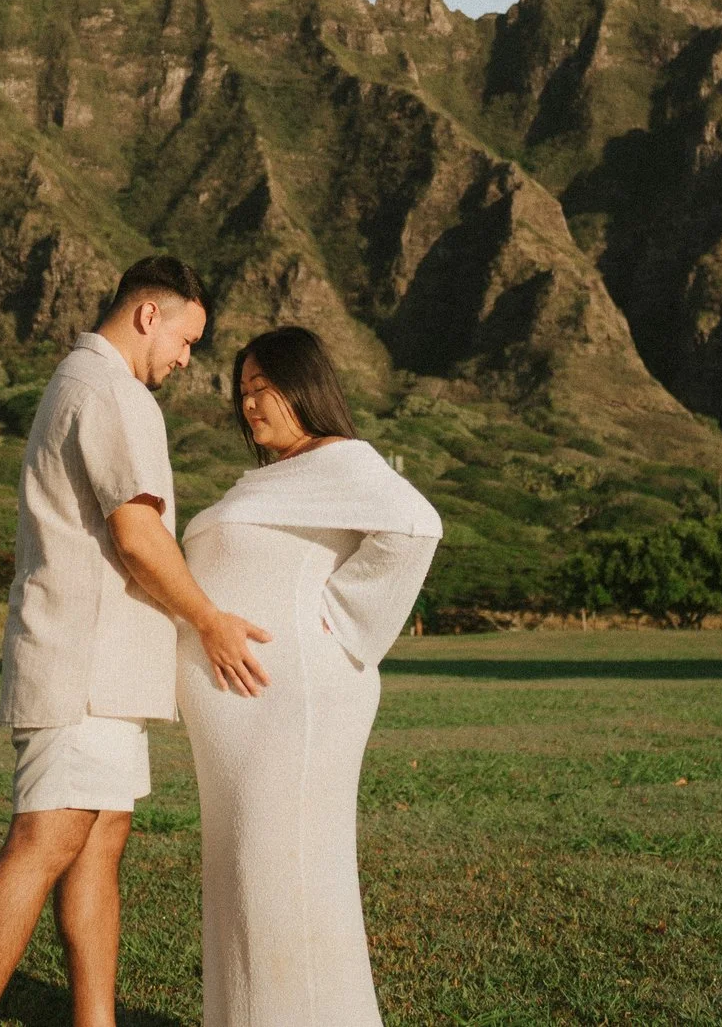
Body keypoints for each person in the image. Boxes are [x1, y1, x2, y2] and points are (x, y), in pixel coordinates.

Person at [0, 256, 275, 1027]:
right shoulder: (108, 390)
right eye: (187, 341)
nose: (187, 360)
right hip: (79, 667)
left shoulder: (94, 385)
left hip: (108, 672)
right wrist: (209, 619)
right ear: (148, 315)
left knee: (99, 842)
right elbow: (137, 533)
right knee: (44, 837)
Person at [178, 325, 442, 1027]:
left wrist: (342, 624)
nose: (250, 405)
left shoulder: (342, 460)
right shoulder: (275, 475)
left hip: (290, 703)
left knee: (280, 877)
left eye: (264, 388)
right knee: (243, 876)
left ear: (306, 388)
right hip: (243, 713)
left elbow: (415, 524)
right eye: (243, 393)